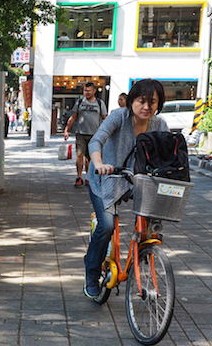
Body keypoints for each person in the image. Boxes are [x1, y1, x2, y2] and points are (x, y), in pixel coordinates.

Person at [83, 78, 168, 299]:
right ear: (132, 101)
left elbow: (169, 152)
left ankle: (141, 260)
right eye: (142, 101)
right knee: (107, 225)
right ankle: (92, 274)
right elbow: (96, 141)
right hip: (106, 179)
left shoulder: (159, 125)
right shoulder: (119, 117)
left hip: (137, 181)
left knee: (149, 228)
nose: (147, 107)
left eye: (153, 102)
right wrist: (99, 164)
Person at [64, 82, 108, 186]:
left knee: (90, 158)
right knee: (80, 154)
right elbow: (73, 117)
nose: (86, 92)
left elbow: (105, 118)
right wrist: (67, 129)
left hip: (94, 135)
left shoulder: (100, 103)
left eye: (88, 90)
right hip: (81, 133)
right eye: (85, 90)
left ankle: (88, 177)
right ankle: (79, 177)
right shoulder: (79, 102)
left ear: (94, 91)